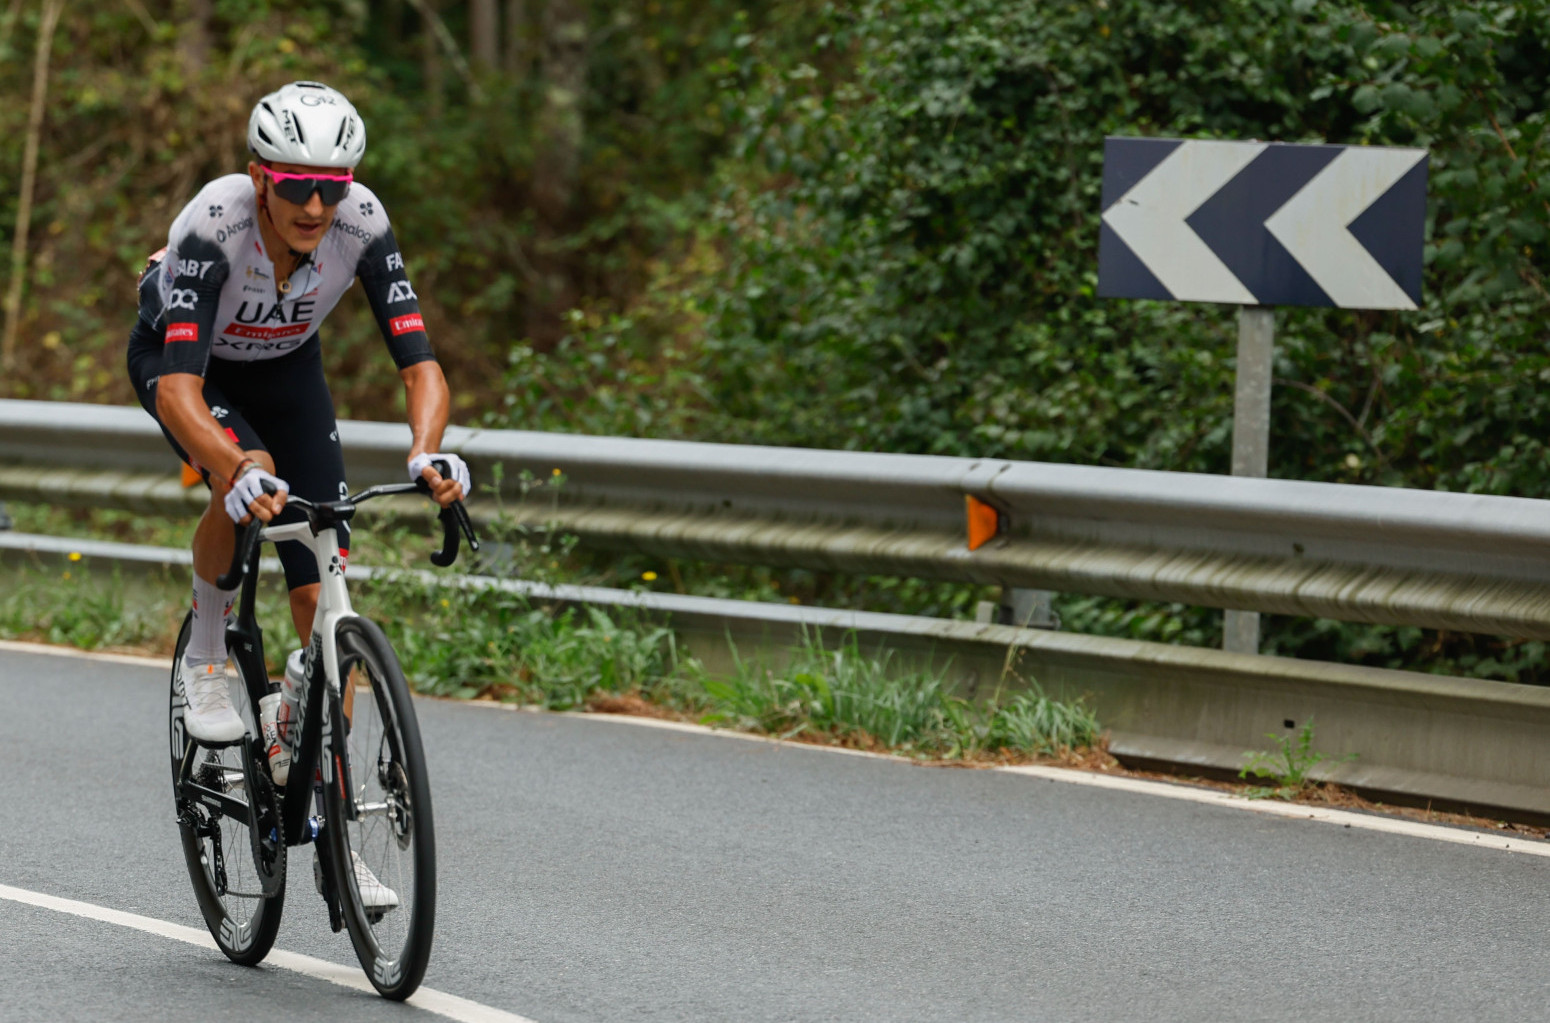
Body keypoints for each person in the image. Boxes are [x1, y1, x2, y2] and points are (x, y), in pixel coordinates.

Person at [126, 81, 470, 745]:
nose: (314, 207)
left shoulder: (362, 221)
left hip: (287, 368)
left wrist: (425, 448)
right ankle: (204, 657)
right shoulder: (216, 223)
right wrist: (233, 466)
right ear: (259, 179)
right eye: (293, 187)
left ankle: (311, 764)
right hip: (188, 368)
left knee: (323, 587)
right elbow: (177, 393)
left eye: (332, 187)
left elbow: (419, 364)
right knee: (249, 469)